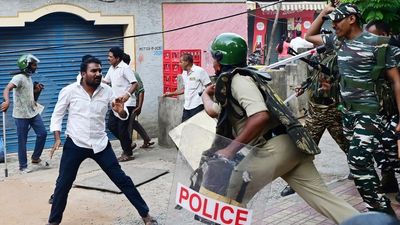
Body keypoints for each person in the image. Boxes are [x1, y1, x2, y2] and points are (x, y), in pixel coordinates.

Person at [201, 32, 359, 224]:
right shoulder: (241, 79)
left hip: (274, 148)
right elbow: (214, 111)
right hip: (291, 146)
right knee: (326, 200)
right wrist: (205, 95)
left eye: (213, 57)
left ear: (220, 59)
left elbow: (259, 116)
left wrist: (229, 150)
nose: (212, 62)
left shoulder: (238, 80)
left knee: (228, 194)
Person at [305, 3, 400, 215]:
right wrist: (323, 14)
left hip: (372, 113)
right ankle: (377, 209)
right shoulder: (338, 43)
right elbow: (309, 36)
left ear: (351, 19)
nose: (334, 25)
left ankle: (383, 211)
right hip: (347, 114)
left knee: (357, 160)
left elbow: (396, 82)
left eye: (337, 21)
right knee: (359, 163)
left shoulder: (379, 44)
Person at [46, 57, 157, 225]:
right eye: (93, 71)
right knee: (63, 184)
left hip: (100, 145)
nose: (98, 74)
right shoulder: (69, 91)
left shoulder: (107, 91)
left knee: (122, 180)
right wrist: (57, 137)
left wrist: (121, 112)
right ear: (83, 74)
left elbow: (122, 113)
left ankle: (145, 215)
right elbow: (57, 115)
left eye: (100, 70)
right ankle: (53, 222)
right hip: (75, 144)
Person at [281, 46, 351, 197]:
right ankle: (295, 183)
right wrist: (303, 86)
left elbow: (345, 82)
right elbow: (313, 77)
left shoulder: (340, 58)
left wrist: (332, 88)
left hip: (333, 109)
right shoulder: (316, 58)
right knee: (305, 147)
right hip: (315, 110)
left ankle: (357, 169)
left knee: (346, 143)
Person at [366, 20, 400, 200]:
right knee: (377, 142)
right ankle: (389, 179)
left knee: (391, 141)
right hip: (385, 111)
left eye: (375, 37)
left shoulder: (395, 54)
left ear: (386, 35)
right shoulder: (374, 56)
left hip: (397, 111)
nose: (371, 41)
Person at [1, 54, 47, 173]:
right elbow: (7, 89)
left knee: (42, 133)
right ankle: (23, 166)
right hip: (21, 115)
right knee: (22, 141)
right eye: (33, 64)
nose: (36, 66)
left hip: (32, 112)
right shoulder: (19, 77)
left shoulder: (28, 77)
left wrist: (36, 90)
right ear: (26, 65)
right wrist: (7, 101)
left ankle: (35, 158)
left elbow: (29, 95)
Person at [103, 47, 138, 162]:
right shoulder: (112, 68)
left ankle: (128, 153)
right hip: (116, 103)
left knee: (122, 129)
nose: (108, 58)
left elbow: (134, 83)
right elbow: (106, 81)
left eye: (110, 57)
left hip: (127, 103)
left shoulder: (125, 68)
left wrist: (127, 94)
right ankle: (128, 143)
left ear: (117, 58)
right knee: (111, 126)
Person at [163, 53, 211, 122]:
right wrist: (170, 94)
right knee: (184, 128)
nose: (179, 64)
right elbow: (184, 89)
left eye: (181, 62)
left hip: (197, 106)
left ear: (187, 62)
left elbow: (209, 86)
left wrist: (205, 99)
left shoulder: (199, 71)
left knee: (196, 128)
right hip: (187, 107)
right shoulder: (184, 73)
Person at [122, 53, 154, 148]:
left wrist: (139, 106)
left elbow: (141, 90)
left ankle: (129, 145)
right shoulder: (118, 73)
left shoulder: (133, 74)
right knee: (133, 123)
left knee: (129, 125)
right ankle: (146, 139)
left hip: (132, 104)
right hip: (123, 104)